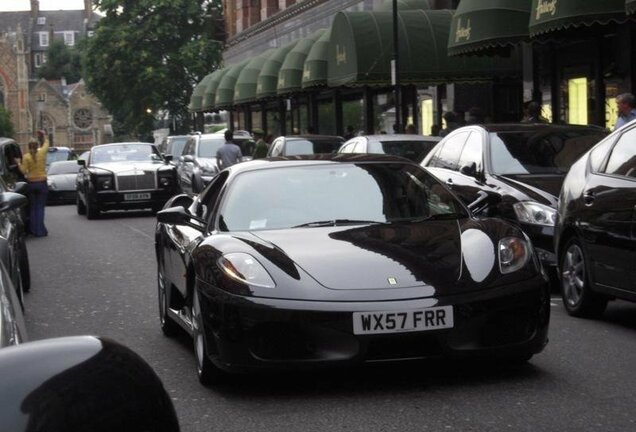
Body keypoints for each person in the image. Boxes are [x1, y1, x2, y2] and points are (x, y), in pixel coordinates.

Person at [17, 130, 49, 237]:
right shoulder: (42, 152)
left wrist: (17, 163)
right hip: (42, 183)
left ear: (28, 146)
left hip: (31, 184)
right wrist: (43, 135)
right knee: (40, 208)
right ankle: (40, 230)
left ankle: (33, 229)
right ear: (37, 145)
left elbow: (23, 171)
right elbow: (46, 143)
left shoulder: (26, 157)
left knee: (33, 207)